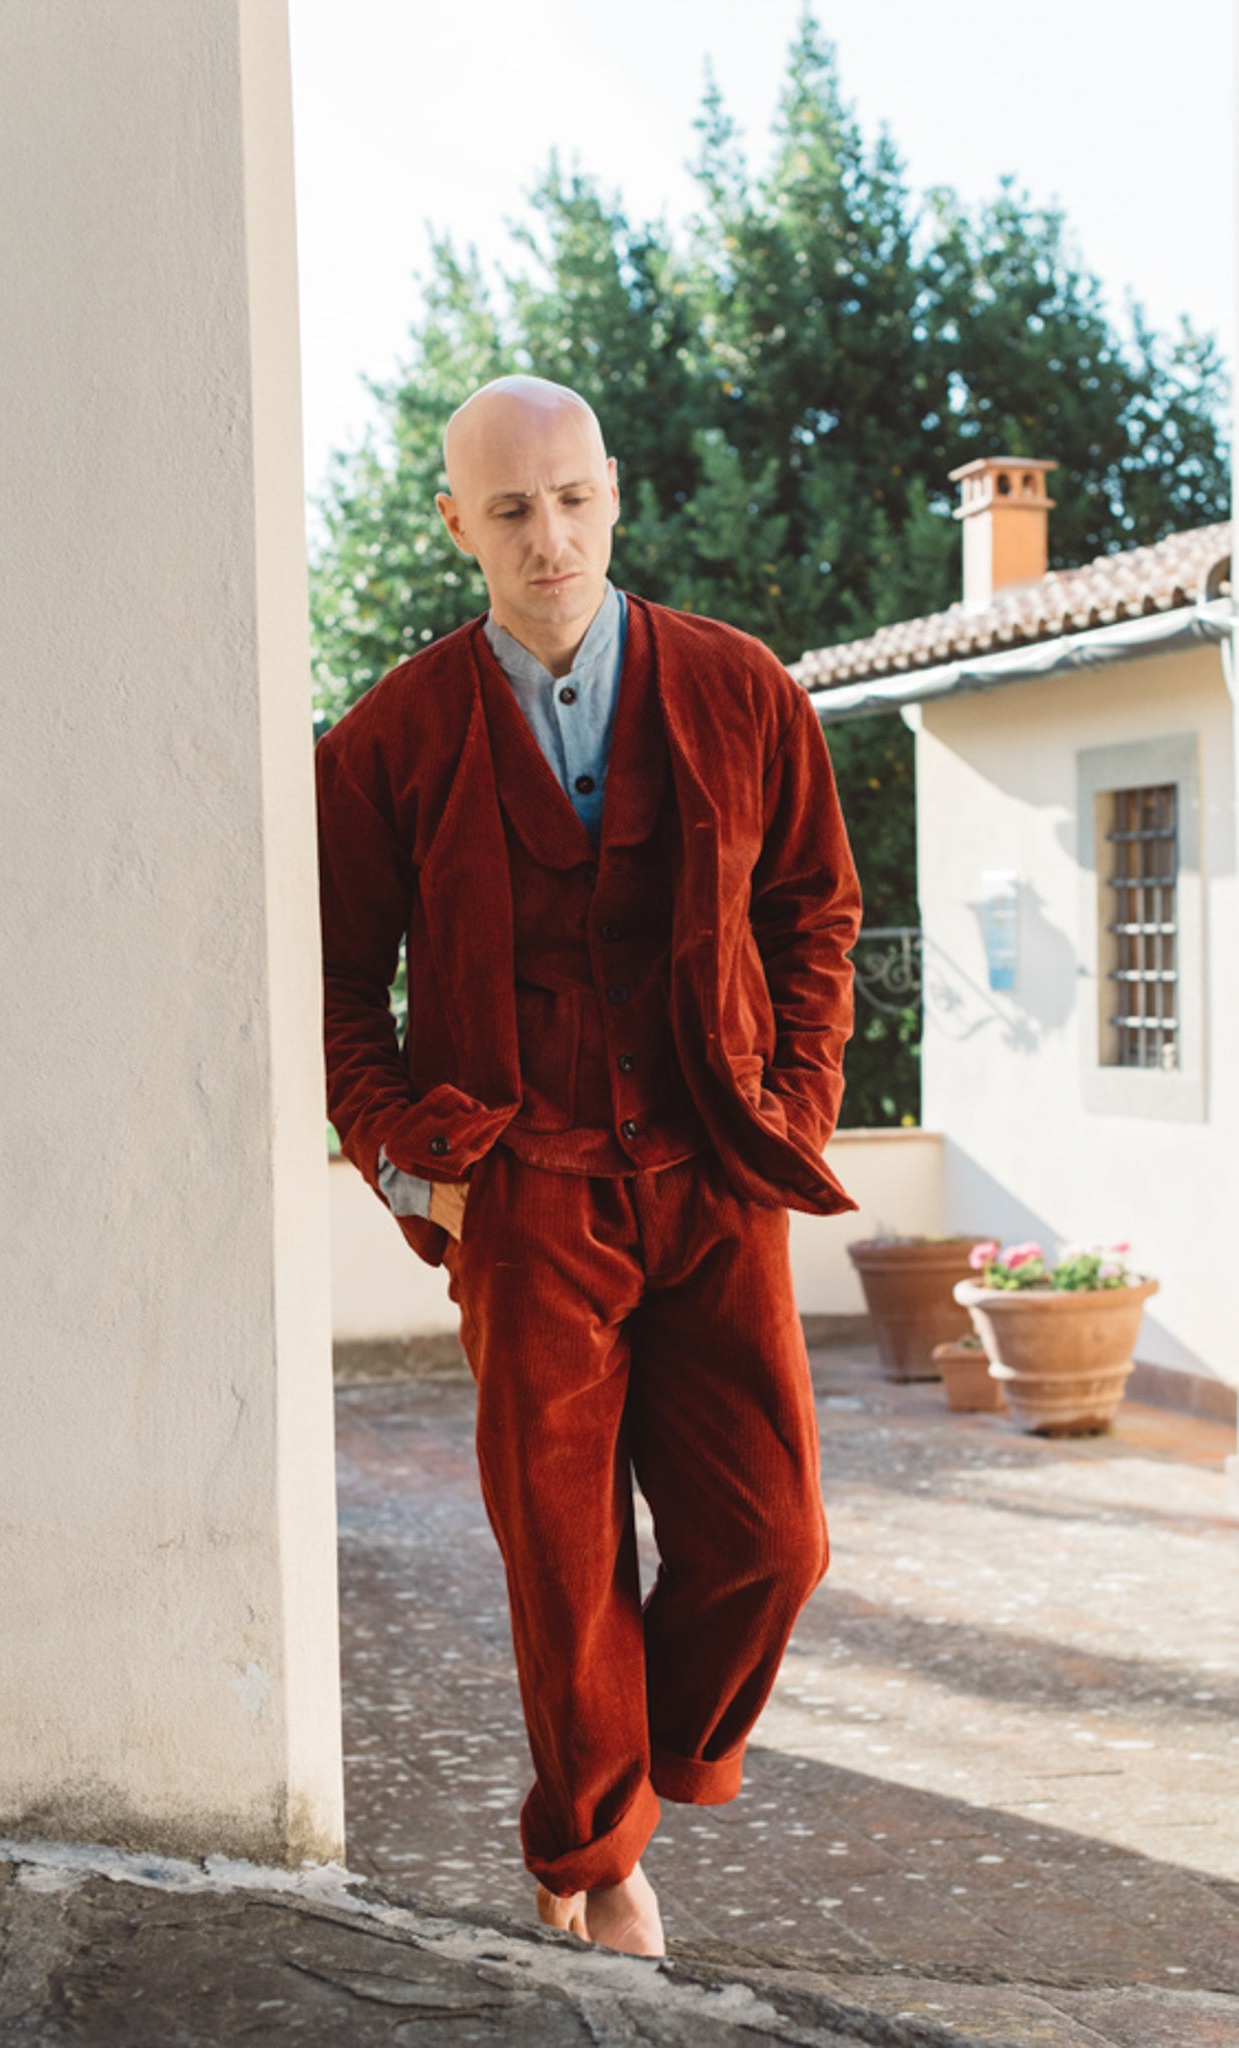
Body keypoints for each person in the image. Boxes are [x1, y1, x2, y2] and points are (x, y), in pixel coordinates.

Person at [315, 375, 862, 1957]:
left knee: (771, 1542)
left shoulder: (740, 688)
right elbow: (338, 992)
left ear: (611, 493)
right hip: (522, 1191)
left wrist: (793, 1107)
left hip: (712, 1174)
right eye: (508, 510)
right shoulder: (388, 737)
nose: (546, 538)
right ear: (455, 524)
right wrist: (413, 1167)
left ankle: (651, 1764)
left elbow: (814, 916)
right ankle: (596, 1854)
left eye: (569, 500)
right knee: (563, 1565)